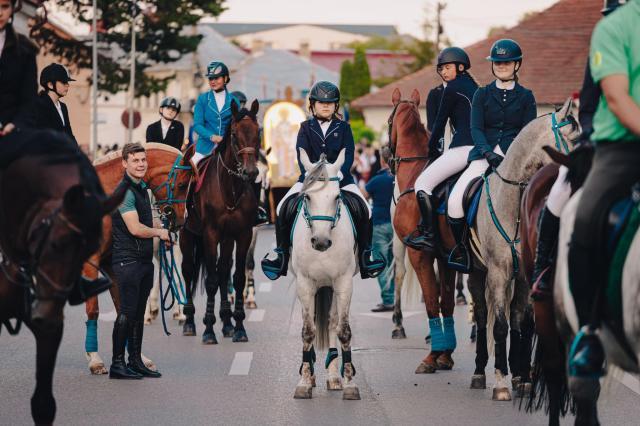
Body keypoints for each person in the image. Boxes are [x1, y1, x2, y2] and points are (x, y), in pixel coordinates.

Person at [530, 0, 626, 301]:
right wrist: (591, 135)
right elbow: (587, 106)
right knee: (558, 195)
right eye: (613, 19)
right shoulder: (599, 53)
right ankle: (543, 270)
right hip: (606, 144)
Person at [567, 0, 640, 380]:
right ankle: (589, 335)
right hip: (625, 148)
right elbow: (616, 97)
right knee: (585, 217)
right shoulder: (615, 27)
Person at [261, 81, 386, 280]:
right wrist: (313, 175)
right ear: (312, 105)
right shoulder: (304, 127)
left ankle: (366, 255)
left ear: (336, 105)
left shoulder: (344, 127)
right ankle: (281, 255)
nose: (325, 106)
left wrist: (338, 175)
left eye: (330, 103)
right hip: (309, 180)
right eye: (321, 102)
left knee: (366, 209)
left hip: (341, 179)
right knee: (281, 207)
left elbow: (349, 154)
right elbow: (301, 155)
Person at [445, 39, 537, 271]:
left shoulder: (527, 96)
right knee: (455, 202)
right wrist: (487, 152)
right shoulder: (482, 94)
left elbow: (527, 133)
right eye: (497, 62)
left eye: (506, 62)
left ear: (517, 65)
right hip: (483, 157)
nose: (501, 66)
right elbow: (476, 128)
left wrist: (512, 156)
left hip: (515, 161)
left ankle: (539, 251)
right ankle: (462, 251)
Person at [404, 47, 479, 252]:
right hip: (481, 149)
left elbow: (438, 124)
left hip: (462, 147)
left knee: (422, 184)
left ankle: (429, 236)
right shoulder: (476, 87)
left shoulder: (452, 88)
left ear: (460, 67)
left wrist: (431, 149)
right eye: (441, 69)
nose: (444, 72)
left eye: (447, 67)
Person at [110, 142, 170, 380]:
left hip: (143, 261)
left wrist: (164, 229)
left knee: (137, 313)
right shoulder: (124, 192)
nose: (141, 164)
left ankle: (135, 361)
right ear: (125, 163)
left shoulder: (142, 190)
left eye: (143, 160)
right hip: (127, 262)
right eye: (135, 160)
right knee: (126, 312)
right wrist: (158, 233)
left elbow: (146, 221)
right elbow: (134, 228)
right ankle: (117, 364)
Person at [363, 153, 395, 311]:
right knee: (394, 263)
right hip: (396, 225)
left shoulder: (376, 180)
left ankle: (388, 300)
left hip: (379, 224)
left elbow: (364, 197)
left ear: (382, 160)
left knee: (381, 263)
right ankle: (396, 297)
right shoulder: (397, 178)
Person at [0, 0, 37, 137]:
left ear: (12, 8)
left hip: (10, 133)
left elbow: (29, 98)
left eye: (4, 7)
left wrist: (16, 124)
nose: (0, 13)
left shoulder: (25, 49)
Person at [191, 61, 235, 166]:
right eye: (211, 78)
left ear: (225, 78)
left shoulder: (234, 101)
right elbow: (197, 125)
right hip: (205, 148)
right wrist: (212, 136)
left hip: (228, 148)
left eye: (217, 78)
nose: (213, 81)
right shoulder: (202, 99)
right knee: (192, 166)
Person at [29, 63, 77, 144]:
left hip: (63, 154)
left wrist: (79, 155)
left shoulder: (63, 107)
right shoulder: (38, 105)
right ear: (50, 85)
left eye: (67, 82)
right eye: (63, 82)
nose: (67, 85)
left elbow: (69, 135)